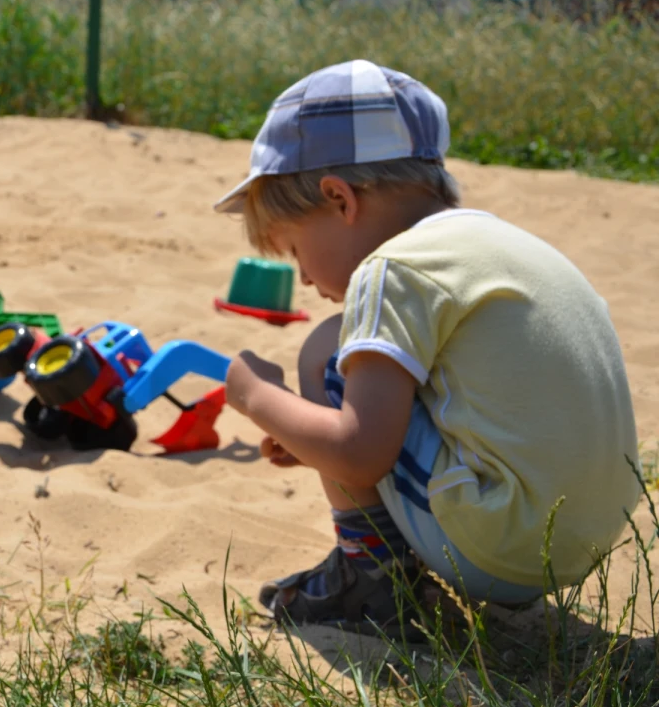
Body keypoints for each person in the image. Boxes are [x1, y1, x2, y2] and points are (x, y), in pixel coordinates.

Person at [214, 59, 641, 639]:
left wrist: (256, 394)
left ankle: (370, 581)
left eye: (293, 250)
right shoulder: (504, 245)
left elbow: (360, 454)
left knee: (326, 349)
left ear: (340, 199)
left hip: (503, 542)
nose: (307, 280)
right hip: (588, 533)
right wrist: (312, 434)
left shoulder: (389, 270)